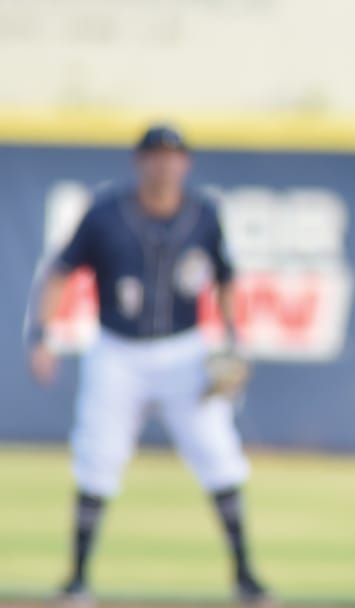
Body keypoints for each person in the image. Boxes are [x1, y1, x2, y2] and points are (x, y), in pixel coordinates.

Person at [24, 125, 272, 606]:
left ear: (187, 164)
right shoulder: (105, 214)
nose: (164, 163)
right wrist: (41, 335)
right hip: (117, 351)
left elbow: (225, 279)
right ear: (139, 162)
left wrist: (233, 339)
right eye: (155, 154)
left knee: (219, 455)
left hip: (184, 351)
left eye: (173, 155)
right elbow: (59, 273)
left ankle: (246, 577)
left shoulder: (204, 215)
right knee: (97, 457)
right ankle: (76, 581)